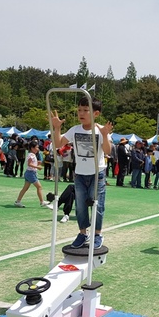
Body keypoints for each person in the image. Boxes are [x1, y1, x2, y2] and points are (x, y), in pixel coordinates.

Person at [50, 97, 112, 249]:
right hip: (79, 174)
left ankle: (97, 234)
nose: (81, 113)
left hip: (97, 174)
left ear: (96, 113)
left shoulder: (101, 130)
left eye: (86, 110)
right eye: (79, 110)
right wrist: (57, 128)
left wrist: (104, 135)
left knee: (97, 205)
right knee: (80, 206)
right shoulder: (75, 130)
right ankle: (83, 233)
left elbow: (108, 151)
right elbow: (58, 144)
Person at [14, 141, 47, 207]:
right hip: (31, 173)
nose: (38, 149)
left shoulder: (32, 155)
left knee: (25, 188)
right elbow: (29, 164)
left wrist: (38, 163)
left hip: (29, 173)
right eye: (37, 147)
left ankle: (18, 201)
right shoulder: (31, 155)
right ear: (32, 148)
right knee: (39, 187)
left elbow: (31, 163)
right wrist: (38, 167)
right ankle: (42, 202)